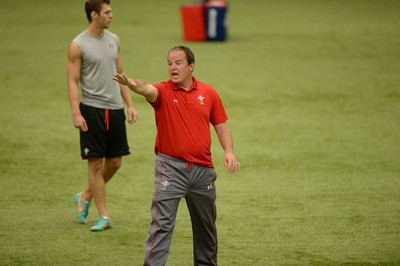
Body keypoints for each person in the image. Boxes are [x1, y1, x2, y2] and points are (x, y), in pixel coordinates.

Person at [113, 46, 240, 265]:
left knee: (206, 229)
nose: (173, 67)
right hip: (170, 169)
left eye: (178, 63)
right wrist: (134, 85)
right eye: (169, 63)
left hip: (203, 172)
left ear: (191, 66)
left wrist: (229, 152)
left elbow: (221, 125)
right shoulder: (162, 91)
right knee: (161, 226)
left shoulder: (208, 93)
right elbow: (147, 89)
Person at [67, 0, 137, 231]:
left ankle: (85, 196)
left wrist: (129, 104)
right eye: (107, 12)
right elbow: (72, 81)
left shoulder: (114, 40)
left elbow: (120, 73)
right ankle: (104, 216)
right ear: (94, 14)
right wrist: (76, 113)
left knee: (115, 162)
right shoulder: (78, 45)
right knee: (95, 165)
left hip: (115, 109)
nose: (111, 15)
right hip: (92, 109)